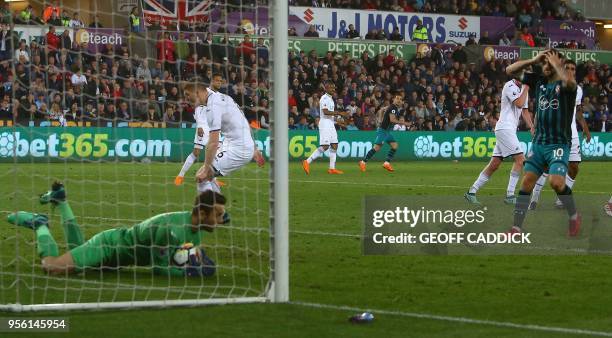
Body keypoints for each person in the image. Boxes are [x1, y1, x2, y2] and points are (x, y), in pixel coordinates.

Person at [7, 182, 221, 277]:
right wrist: (189, 272)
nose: (221, 220)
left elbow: (183, 248)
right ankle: (40, 225)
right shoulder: (170, 229)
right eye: (218, 215)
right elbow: (160, 268)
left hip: (116, 260)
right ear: (202, 214)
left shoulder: (200, 224)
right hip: (109, 246)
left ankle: (61, 201)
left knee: (79, 251)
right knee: (53, 267)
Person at [505, 49, 580, 236]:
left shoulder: (567, 86)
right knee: (527, 182)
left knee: (556, 182)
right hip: (539, 143)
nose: (545, 66)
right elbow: (509, 70)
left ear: (557, 65)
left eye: (548, 63)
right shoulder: (537, 80)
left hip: (559, 144)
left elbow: (570, 83)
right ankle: (516, 228)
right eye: (544, 63)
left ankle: (573, 215)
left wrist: (556, 64)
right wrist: (532, 59)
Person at [184, 74, 265, 194]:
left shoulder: (212, 107)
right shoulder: (222, 97)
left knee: (202, 177)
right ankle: (218, 211)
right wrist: (254, 148)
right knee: (209, 178)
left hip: (238, 149)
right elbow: (244, 122)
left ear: (197, 92)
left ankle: (212, 212)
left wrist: (206, 169)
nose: (186, 100)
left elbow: (213, 142)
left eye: (187, 95)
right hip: (236, 145)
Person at [529, 59, 591, 209]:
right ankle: (534, 197)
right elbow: (542, 107)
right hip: (554, 133)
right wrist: (535, 126)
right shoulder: (553, 85)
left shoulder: (578, 89)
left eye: (573, 68)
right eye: (567, 68)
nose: (570, 70)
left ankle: (560, 198)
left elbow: (578, 111)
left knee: (574, 167)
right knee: (544, 167)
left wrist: (585, 128)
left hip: (572, 134)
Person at [465, 78, 532, 205]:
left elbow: (525, 110)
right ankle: (510, 195)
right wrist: (526, 88)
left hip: (509, 129)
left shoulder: (523, 89)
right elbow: (519, 103)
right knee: (520, 160)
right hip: (505, 128)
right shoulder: (509, 85)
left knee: (494, 164)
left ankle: (471, 192)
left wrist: (532, 127)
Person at [302, 81, 348, 175]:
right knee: (325, 146)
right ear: (326, 88)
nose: (333, 89)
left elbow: (329, 115)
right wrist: (339, 113)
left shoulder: (331, 99)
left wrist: (338, 122)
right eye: (331, 88)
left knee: (335, 144)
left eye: (334, 88)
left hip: (330, 124)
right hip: (325, 124)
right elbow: (325, 112)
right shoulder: (324, 98)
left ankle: (332, 168)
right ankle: (307, 161)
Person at [359, 93, 409, 172]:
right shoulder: (393, 107)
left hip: (387, 132)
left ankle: (386, 163)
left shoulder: (392, 107)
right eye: (397, 98)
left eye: (400, 99)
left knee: (394, 146)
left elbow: (381, 110)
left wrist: (380, 119)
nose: (399, 100)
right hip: (383, 131)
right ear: (394, 99)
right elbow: (392, 120)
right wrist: (405, 123)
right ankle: (363, 162)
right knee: (376, 148)